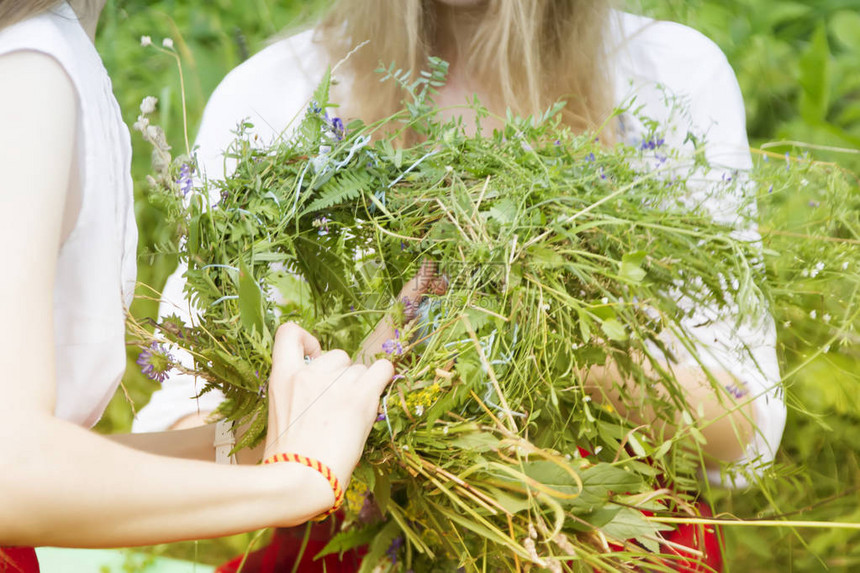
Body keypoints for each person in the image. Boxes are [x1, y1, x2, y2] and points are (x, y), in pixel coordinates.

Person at [135, 0, 786, 570]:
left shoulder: (668, 76)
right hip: (367, 547)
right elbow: (178, 454)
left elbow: (746, 428)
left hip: (609, 540)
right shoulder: (276, 97)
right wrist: (365, 382)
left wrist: (564, 343)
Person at [0, 2, 401, 571]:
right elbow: (11, 470)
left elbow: (40, 452)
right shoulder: (31, 64)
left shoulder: (45, 47)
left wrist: (257, 441)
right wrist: (297, 482)